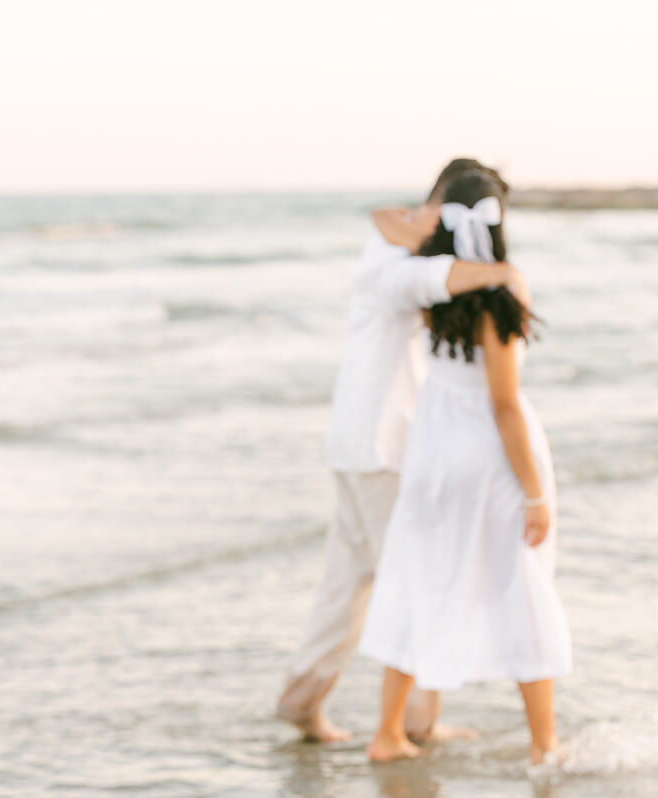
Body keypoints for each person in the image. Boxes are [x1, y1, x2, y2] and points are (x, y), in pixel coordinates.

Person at [276, 159, 525, 743]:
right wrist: (505, 269)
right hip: (383, 449)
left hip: (359, 444)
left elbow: (392, 223)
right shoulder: (394, 265)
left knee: (348, 585)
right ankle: (416, 725)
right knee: (421, 581)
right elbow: (436, 280)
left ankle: (300, 703)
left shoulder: (392, 245)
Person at [357, 170, 573, 763]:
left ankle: (388, 734)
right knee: (521, 584)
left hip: (433, 448)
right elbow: (503, 405)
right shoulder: (500, 298)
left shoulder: (433, 289)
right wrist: (534, 492)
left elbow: (385, 220)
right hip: (484, 452)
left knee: (417, 576)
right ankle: (544, 744)